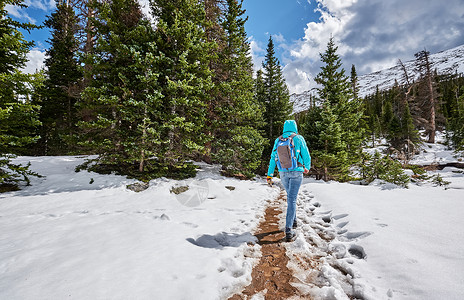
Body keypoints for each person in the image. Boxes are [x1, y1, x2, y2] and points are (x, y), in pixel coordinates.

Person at [266, 120, 311, 242]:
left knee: (290, 197)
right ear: (295, 127)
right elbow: (306, 154)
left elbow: (273, 158)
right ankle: (289, 230)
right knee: (292, 199)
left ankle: (294, 221)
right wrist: (307, 167)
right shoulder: (298, 138)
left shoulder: (278, 140)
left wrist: (270, 174)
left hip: (283, 172)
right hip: (297, 172)